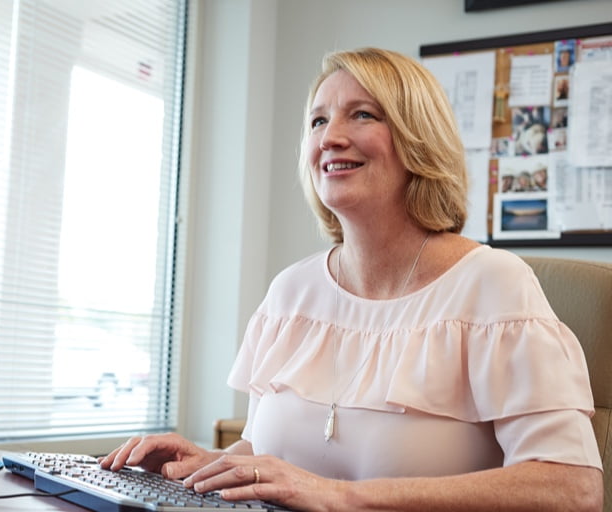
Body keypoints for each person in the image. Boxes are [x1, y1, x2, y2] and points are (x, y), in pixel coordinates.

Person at [100, 48, 603, 511]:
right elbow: (268, 453)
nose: (329, 137)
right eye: (318, 120)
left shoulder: (494, 284)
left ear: (417, 138)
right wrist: (207, 463)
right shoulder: (290, 293)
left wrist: (344, 497)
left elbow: (572, 488)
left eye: (361, 114)